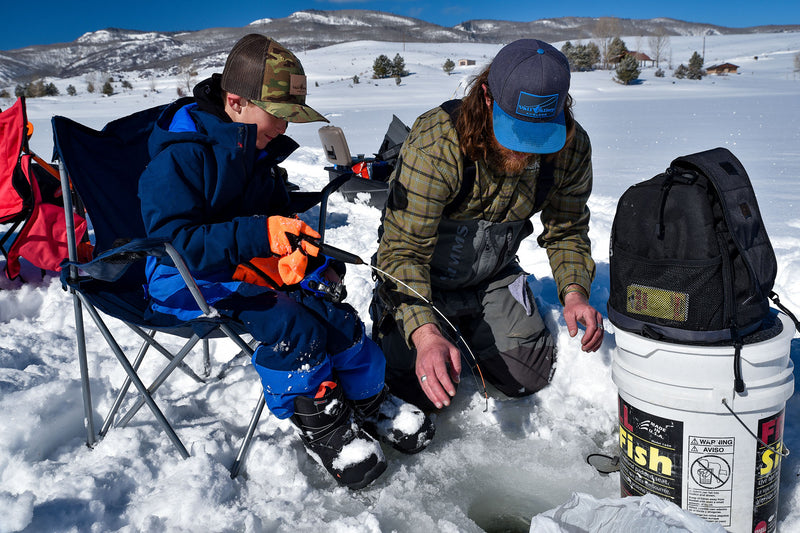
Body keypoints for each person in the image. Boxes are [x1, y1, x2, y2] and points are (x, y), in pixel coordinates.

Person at [138, 33, 433, 490]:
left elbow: (278, 222)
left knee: (329, 308)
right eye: (278, 115)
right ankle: (320, 421)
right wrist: (261, 235)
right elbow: (174, 240)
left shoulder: (254, 148)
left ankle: (369, 398)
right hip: (182, 276)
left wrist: (313, 263)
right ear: (235, 102)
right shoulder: (182, 155)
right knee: (291, 322)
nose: (285, 127)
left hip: (242, 266)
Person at [371, 39, 604, 413]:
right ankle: (420, 326)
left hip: (492, 278)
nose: (526, 148)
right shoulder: (438, 143)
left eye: (538, 133)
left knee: (528, 377)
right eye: (516, 129)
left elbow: (568, 229)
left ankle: (471, 330)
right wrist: (425, 333)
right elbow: (401, 253)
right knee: (414, 394)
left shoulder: (571, 149)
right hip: (423, 279)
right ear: (486, 96)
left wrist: (575, 293)